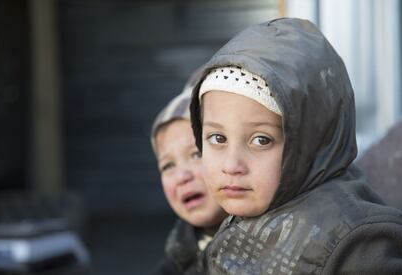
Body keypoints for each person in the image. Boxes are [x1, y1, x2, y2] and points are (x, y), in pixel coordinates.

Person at [189, 18, 402, 274]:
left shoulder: (357, 244)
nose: (232, 165)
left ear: (314, 141)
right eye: (218, 138)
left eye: (261, 140)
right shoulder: (244, 212)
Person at [149, 75, 227, 274]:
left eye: (196, 154)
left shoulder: (275, 246)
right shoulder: (176, 259)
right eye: (167, 166)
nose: (181, 176)